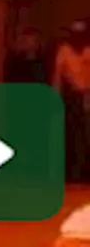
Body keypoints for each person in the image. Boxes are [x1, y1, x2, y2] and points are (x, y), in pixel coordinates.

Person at [56, 20, 90, 181]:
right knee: (69, 133)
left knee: (84, 134)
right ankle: (69, 172)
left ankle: (83, 172)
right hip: (69, 97)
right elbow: (58, 76)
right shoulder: (64, 51)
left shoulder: (88, 50)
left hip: (86, 95)